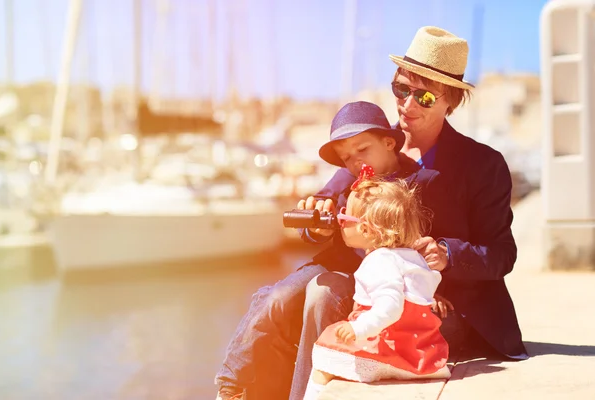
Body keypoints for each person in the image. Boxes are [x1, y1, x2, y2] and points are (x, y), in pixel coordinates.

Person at [288, 26, 528, 400]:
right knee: (316, 296)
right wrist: (315, 226)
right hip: (377, 292)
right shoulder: (371, 151)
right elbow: (323, 211)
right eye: (401, 89)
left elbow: (501, 254)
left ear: (451, 102)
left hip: (447, 307)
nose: (407, 105)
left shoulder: (484, 165)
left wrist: (449, 254)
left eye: (426, 96)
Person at [214, 101, 441, 400]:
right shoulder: (348, 178)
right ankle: (232, 385)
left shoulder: (421, 183)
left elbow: (435, 247)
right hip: (338, 261)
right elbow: (315, 211)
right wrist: (314, 225)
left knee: (321, 297)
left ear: (389, 142)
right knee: (276, 297)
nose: (355, 162)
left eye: (362, 150)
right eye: (346, 157)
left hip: (380, 275)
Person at [302, 177, 451, 400]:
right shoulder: (412, 258)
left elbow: (391, 307)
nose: (339, 222)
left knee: (324, 357)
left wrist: (360, 329)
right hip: (420, 349)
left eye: (343, 218)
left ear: (365, 229)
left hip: (392, 350)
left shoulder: (379, 260)